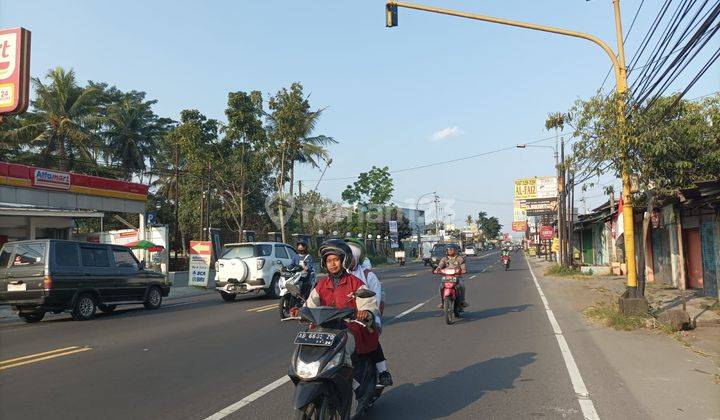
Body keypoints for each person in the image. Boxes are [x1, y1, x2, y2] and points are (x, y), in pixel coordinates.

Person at [291, 239, 380, 358]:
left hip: (349, 329)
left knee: (353, 354)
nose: (332, 264)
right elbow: (310, 304)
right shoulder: (321, 285)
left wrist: (365, 312)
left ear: (344, 260)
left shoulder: (356, 283)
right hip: (325, 330)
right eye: (328, 261)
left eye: (336, 260)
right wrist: (300, 311)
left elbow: (367, 304)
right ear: (324, 264)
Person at [346, 238, 393, 387]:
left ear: (356, 258)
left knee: (370, 336)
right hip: (343, 318)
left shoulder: (367, 275)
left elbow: (375, 299)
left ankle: (383, 372)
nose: (346, 261)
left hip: (364, 316)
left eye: (349, 257)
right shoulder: (336, 277)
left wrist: (367, 313)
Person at [434, 244, 468, 309]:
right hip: (447, 277)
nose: (449, 251)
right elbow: (440, 265)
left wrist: (463, 270)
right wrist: (437, 269)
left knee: (462, 286)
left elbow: (463, 267)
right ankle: (442, 302)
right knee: (441, 287)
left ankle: (463, 301)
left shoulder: (460, 258)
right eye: (448, 250)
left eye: (451, 249)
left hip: (457, 277)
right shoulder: (444, 258)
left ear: (455, 250)